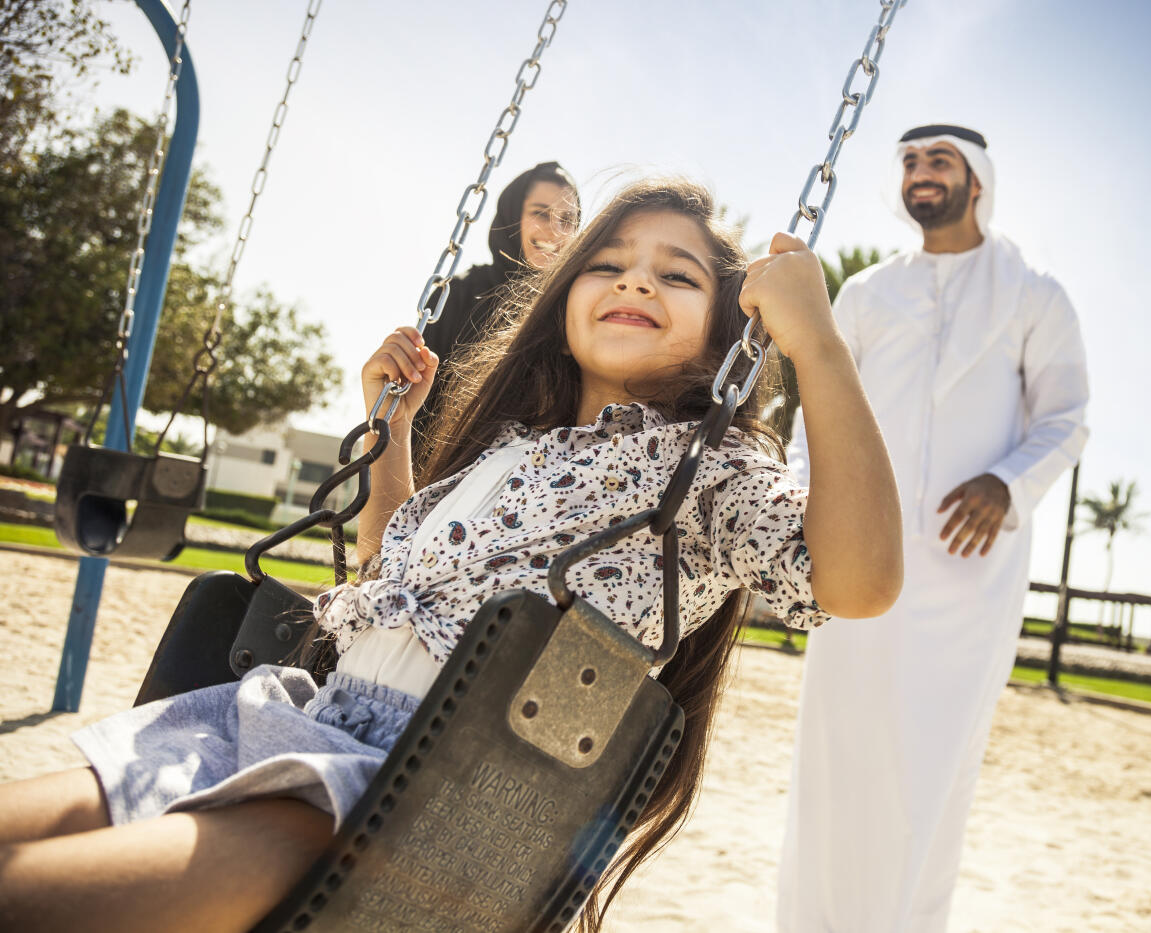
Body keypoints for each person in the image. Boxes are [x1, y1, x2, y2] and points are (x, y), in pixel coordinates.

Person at [0, 178, 903, 933]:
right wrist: (388, 423)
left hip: (422, 791)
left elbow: (857, 583)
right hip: (292, 717)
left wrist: (816, 342)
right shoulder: (512, 446)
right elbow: (390, 571)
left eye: (678, 274)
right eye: (610, 264)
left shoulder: (707, 468)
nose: (639, 282)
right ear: (564, 303)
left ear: (728, 333)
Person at [777, 124, 1090, 932]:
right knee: (838, 756)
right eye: (910, 161)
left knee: (931, 764)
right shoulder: (868, 292)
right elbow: (818, 411)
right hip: (857, 558)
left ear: (976, 180)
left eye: (938, 160)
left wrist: (1006, 482)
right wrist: (805, 520)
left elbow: (1066, 418)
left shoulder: (1034, 293)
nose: (920, 173)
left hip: (968, 575)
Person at [413, 161, 581, 445]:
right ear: (512, 216)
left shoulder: (575, 307)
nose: (555, 230)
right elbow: (420, 404)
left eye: (567, 219)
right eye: (540, 213)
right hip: (445, 465)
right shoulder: (461, 293)